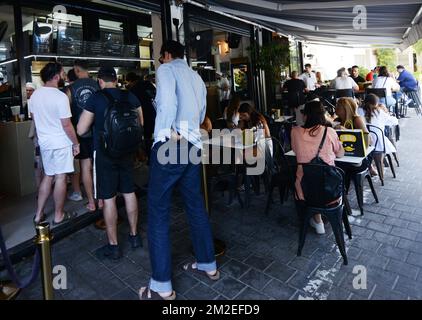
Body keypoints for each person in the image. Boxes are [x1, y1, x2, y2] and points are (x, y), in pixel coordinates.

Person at [139, 40, 218, 300]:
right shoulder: (195, 76)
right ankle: (209, 265)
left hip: (171, 145)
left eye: (160, 57)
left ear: (167, 55)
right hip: (193, 145)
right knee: (195, 205)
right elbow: (203, 111)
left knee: (158, 212)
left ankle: (162, 284)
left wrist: (165, 133)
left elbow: (168, 105)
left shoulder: (166, 69)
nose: (160, 61)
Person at [77, 66, 143, 260]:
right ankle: (134, 236)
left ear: (100, 81)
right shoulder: (130, 96)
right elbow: (141, 123)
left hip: (105, 155)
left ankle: (113, 246)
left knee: (109, 198)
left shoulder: (96, 98)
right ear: (116, 79)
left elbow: (81, 130)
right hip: (127, 152)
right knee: (129, 192)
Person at [29, 62, 80, 225]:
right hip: (60, 143)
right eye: (62, 73)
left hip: (45, 143)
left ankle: (38, 214)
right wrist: (76, 143)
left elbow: (35, 119)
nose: (64, 76)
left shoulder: (35, 95)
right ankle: (59, 215)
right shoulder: (60, 96)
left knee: (48, 176)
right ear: (56, 76)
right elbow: (66, 124)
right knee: (60, 178)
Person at [291, 100, 344, 235]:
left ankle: (317, 220)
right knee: (323, 178)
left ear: (306, 115)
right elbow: (340, 154)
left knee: (311, 177)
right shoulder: (329, 131)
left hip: (304, 189)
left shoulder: (295, 132)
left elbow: (296, 152)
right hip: (329, 189)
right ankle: (324, 218)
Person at [66, 60, 99, 212]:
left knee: (85, 167)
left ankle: (92, 202)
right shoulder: (98, 85)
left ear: (76, 70)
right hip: (99, 132)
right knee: (99, 166)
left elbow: (65, 114)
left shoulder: (70, 89)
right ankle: (103, 200)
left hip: (82, 133)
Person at [128, 72, 157, 160]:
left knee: (145, 138)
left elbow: (132, 106)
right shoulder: (149, 84)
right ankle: (154, 156)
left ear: (131, 81)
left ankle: (148, 156)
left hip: (143, 116)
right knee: (153, 137)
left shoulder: (133, 90)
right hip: (155, 114)